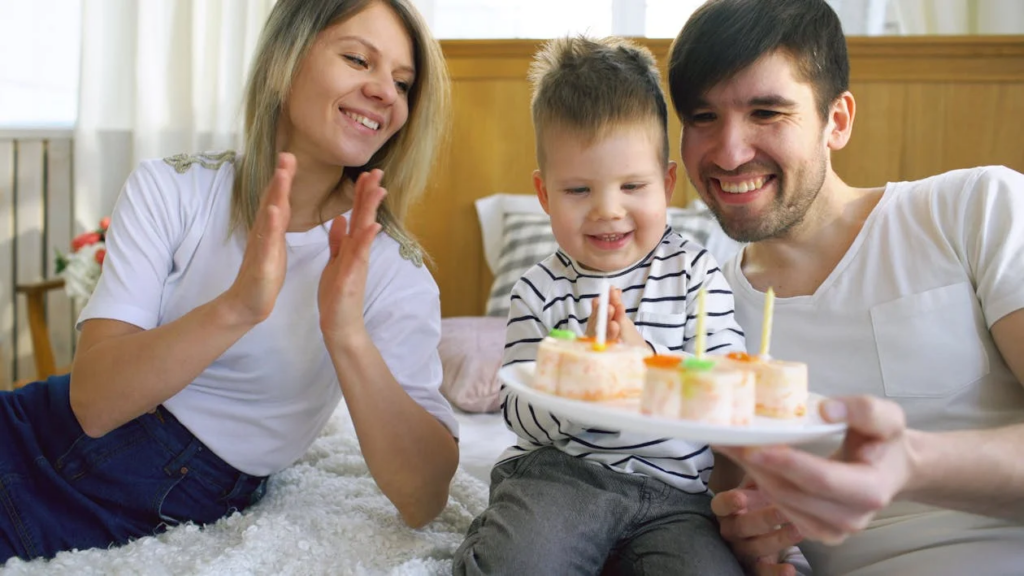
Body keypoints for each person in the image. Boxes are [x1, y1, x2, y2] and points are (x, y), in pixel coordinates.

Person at [0, 0, 459, 563]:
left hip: (159, 487)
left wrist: (346, 333)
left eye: (404, 82)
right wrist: (239, 306)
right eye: (359, 60)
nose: (386, 91)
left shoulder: (395, 271)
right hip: (34, 428)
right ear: (283, 62)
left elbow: (424, 500)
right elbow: (93, 403)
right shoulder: (171, 188)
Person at [666, 0, 1024, 574]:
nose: (729, 153)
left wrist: (910, 463)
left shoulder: (977, 210)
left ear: (837, 120)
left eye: (766, 112)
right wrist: (749, 540)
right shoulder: (699, 317)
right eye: (702, 117)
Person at [453, 35, 748, 576]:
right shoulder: (538, 290)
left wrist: (648, 369)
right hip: (560, 478)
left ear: (666, 184)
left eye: (632, 185)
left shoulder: (697, 275)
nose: (608, 211)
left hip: (676, 496)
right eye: (579, 191)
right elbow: (518, 410)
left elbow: (729, 393)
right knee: (519, 564)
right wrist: (577, 385)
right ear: (545, 196)